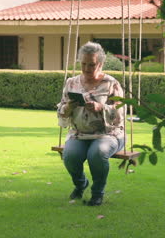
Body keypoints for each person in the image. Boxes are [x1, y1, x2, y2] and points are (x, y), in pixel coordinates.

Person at [57, 41, 125, 206]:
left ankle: (97, 193)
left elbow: (120, 114)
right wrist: (68, 107)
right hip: (80, 134)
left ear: (100, 64)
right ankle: (81, 184)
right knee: (70, 156)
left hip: (108, 134)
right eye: (84, 64)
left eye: (92, 65)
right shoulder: (72, 83)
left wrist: (100, 107)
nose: (87, 68)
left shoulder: (111, 83)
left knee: (97, 153)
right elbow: (61, 110)